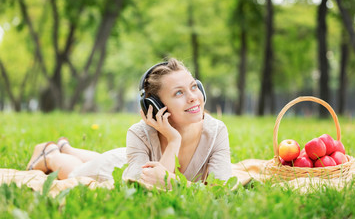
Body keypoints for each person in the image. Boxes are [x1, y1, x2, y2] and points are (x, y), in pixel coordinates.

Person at [26, 58, 232, 187]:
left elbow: (220, 188)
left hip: (127, 158)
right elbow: (146, 186)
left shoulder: (216, 131)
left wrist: (175, 183)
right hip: (115, 167)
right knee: (76, 173)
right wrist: (173, 139)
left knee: (102, 158)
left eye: (193, 87)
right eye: (179, 92)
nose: (193, 97)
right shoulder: (139, 133)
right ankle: (51, 155)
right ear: (156, 105)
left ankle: (66, 147)